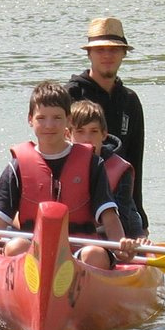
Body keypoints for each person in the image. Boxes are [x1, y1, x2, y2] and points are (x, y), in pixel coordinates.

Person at [0, 81, 137, 270]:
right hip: (33, 249)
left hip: (80, 249)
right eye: (41, 118)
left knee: (94, 255)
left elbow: (110, 218)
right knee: (15, 247)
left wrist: (120, 246)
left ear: (69, 121)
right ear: (30, 120)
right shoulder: (17, 167)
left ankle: (78, 295)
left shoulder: (92, 164)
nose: (49, 125)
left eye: (57, 118)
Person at [68, 16, 147, 231]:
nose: (107, 55)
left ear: (123, 54)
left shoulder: (130, 100)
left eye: (114, 50)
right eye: (100, 50)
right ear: (89, 53)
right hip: (79, 198)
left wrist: (141, 216)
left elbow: (135, 161)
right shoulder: (71, 95)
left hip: (122, 200)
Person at [68, 99, 143, 239]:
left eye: (93, 131)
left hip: (103, 242)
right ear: (68, 135)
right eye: (80, 131)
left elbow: (124, 222)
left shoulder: (120, 170)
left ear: (104, 134)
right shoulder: (58, 162)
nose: (87, 139)